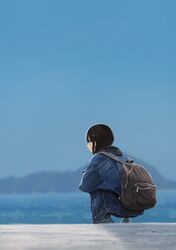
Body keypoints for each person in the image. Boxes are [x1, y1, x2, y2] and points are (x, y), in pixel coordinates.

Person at [79, 124, 143, 224]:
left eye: (90, 141)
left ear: (97, 141)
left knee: (97, 190)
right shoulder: (123, 157)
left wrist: (86, 174)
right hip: (128, 206)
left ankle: (102, 219)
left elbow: (85, 186)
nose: (88, 145)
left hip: (105, 208)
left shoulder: (99, 158)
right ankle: (126, 220)